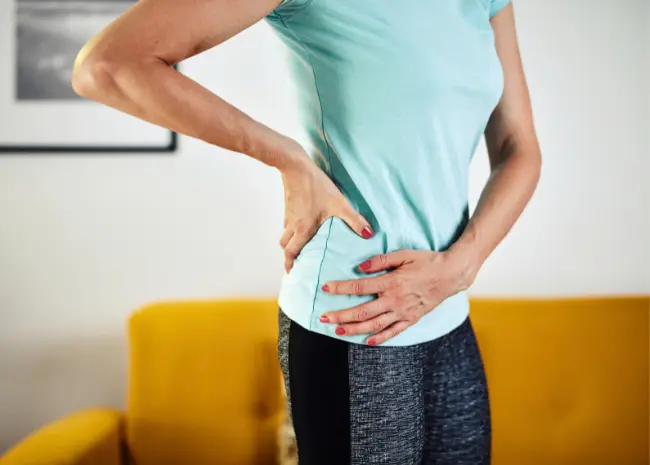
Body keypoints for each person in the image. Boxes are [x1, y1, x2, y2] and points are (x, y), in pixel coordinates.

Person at [72, 0, 541, 462]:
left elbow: (518, 147)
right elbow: (107, 65)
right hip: (356, 316)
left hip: (449, 310)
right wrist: (287, 158)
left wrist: (461, 266)